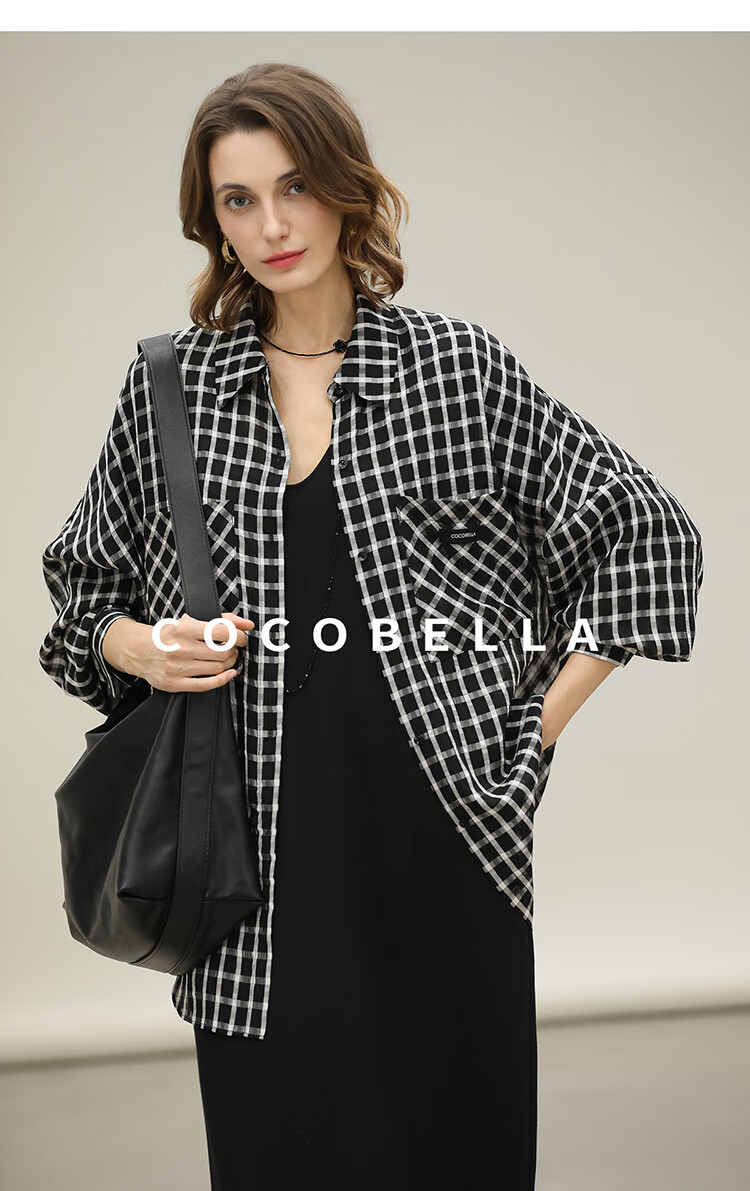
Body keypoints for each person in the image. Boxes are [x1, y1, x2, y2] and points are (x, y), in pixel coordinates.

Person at [38, 62, 704, 1191]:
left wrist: (529, 734)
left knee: (455, 1149)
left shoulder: (456, 368)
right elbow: (77, 605)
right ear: (214, 223)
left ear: (348, 187)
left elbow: (647, 533)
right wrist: (142, 647)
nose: (273, 224)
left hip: (442, 840)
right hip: (249, 868)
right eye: (239, 200)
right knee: (281, 1150)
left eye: (295, 185)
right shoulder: (171, 391)